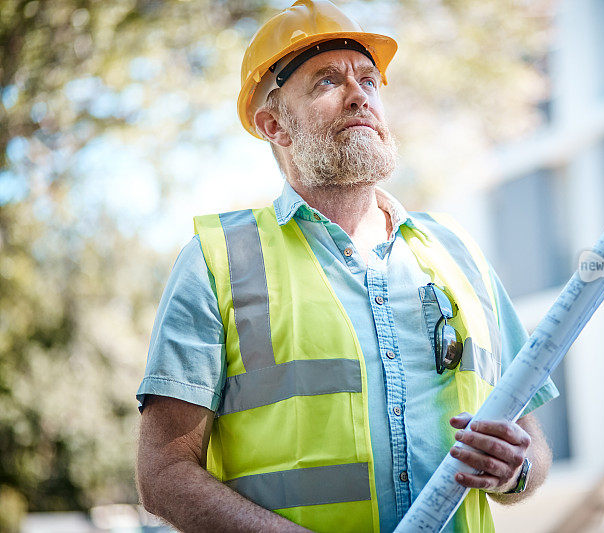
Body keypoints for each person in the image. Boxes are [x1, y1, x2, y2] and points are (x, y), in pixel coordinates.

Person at [135, 1, 559, 531]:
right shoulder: (218, 262)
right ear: (275, 124)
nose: (360, 94)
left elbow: (533, 443)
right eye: (327, 82)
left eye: (370, 81)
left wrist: (515, 470)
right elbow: (164, 474)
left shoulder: (457, 254)